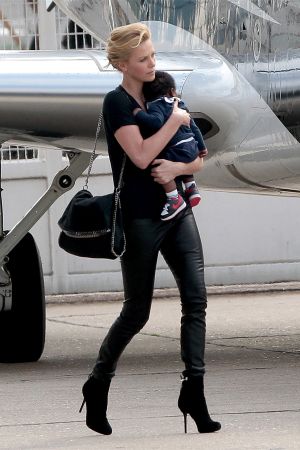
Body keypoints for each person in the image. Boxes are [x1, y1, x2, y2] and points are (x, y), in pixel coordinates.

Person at [79, 22, 221, 436]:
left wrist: (180, 166)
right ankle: (99, 382)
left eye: (153, 56)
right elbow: (140, 157)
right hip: (140, 217)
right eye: (143, 60)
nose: (151, 64)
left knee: (196, 300)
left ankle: (193, 390)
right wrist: (174, 123)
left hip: (177, 212)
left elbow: (197, 153)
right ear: (122, 64)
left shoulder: (166, 90)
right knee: (136, 310)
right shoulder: (116, 103)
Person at [134, 70, 208, 221]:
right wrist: (202, 147)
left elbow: (155, 122)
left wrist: (138, 113)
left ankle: (174, 198)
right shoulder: (181, 104)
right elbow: (194, 127)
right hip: (191, 147)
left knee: (158, 163)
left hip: (176, 149)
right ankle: (191, 187)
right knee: (184, 156)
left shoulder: (156, 105)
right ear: (172, 91)